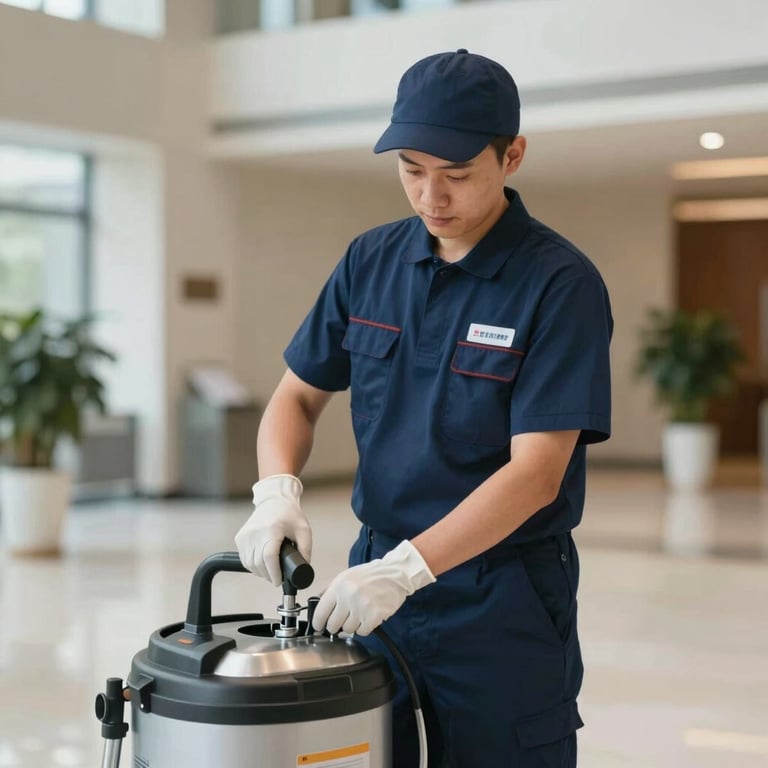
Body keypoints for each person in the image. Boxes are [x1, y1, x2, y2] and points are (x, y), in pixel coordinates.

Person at [236, 49, 612, 767]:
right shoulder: (369, 261)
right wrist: (275, 491)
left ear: (513, 157)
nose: (430, 195)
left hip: (500, 600)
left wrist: (410, 570)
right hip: (369, 590)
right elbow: (297, 397)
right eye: (411, 168)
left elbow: (537, 474)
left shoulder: (558, 284)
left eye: (457, 174)